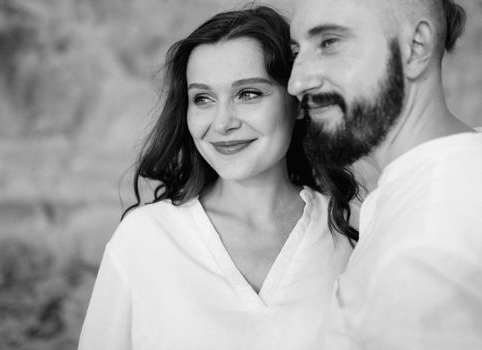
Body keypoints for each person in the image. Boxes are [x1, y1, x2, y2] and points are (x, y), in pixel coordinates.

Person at [78, 5, 359, 350]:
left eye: (248, 94)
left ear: (298, 101)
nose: (222, 122)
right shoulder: (144, 238)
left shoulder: (351, 233)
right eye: (203, 98)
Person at [288, 0, 482, 349]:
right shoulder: (454, 169)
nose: (296, 82)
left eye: (329, 42)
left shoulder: (426, 257)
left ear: (415, 47)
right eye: (297, 50)